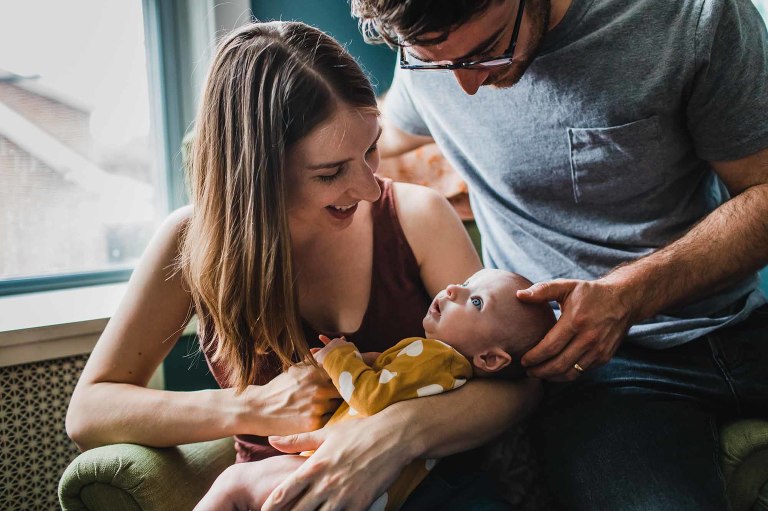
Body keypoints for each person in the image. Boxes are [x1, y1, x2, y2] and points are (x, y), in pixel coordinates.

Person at [306, 0, 768, 509]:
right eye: (437, 64)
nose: (466, 87)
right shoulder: (429, 45)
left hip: (744, 322)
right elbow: (381, 134)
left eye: (486, 51)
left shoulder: (690, 18)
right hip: (598, 373)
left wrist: (628, 294)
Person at [65, 20, 541, 511]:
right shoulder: (191, 242)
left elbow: (517, 389)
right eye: (331, 172)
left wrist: (394, 434)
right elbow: (90, 411)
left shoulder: (417, 217)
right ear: (258, 174)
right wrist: (252, 406)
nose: (369, 187)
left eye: (371, 149)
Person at [194, 268, 555, 511]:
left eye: (476, 301)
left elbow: (370, 398)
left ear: (491, 360)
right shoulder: (443, 372)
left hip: (341, 475)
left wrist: (340, 358)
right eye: (467, 282)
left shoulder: (435, 357)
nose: (454, 289)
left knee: (235, 482)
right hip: (370, 485)